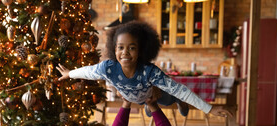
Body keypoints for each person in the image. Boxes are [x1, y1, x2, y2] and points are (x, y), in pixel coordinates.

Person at [56, 20, 231, 118]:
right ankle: (148, 103)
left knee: (167, 99)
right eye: (120, 47)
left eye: (131, 48)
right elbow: (88, 72)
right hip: (137, 97)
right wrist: (69, 73)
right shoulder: (108, 68)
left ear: (141, 50)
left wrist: (210, 108)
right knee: (147, 106)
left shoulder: (149, 71)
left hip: (158, 94)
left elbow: (181, 89)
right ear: (113, 48)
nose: (125, 53)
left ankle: (179, 102)